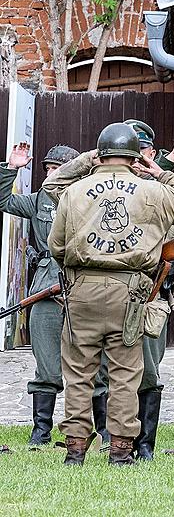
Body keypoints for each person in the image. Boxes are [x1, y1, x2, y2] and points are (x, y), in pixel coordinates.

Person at [47, 122, 174, 460]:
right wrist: (161, 173)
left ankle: (75, 450)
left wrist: (90, 160)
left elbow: (56, 244)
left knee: (77, 373)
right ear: (137, 157)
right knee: (125, 375)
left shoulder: (75, 191)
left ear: (101, 153)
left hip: (81, 289)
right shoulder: (153, 191)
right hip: (131, 291)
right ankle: (120, 451)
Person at [0, 143, 80, 445]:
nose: (51, 174)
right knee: (46, 364)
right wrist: (11, 168)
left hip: (84, 287)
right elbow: (3, 200)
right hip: (45, 289)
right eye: (47, 168)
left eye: (57, 168)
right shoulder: (38, 200)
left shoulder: (90, 199)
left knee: (96, 366)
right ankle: (41, 430)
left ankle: (102, 429)